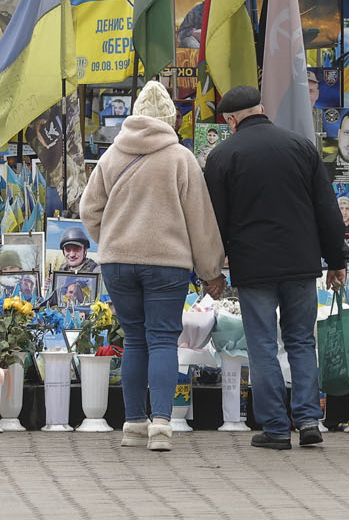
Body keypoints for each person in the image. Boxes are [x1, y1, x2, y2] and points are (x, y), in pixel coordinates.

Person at [81, 80, 226, 453]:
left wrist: (112, 237)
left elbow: (88, 210)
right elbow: (201, 221)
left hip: (117, 263)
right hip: (167, 264)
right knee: (163, 339)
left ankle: (132, 424)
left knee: (134, 340)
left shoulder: (113, 155)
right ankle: (161, 424)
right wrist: (211, 271)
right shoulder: (180, 158)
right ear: (169, 119)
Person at [204, 84, 347, 451]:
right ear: (263, 108)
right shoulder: (301, 147)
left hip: (254, 268)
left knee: (263, 345)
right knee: (301, 341)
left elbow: (214, 222)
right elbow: (326, 208)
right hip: (302, 264)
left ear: (232, 120)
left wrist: (211, 270)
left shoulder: (222, 156)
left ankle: (276, 428)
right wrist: (336, 261)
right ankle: (309, 419)